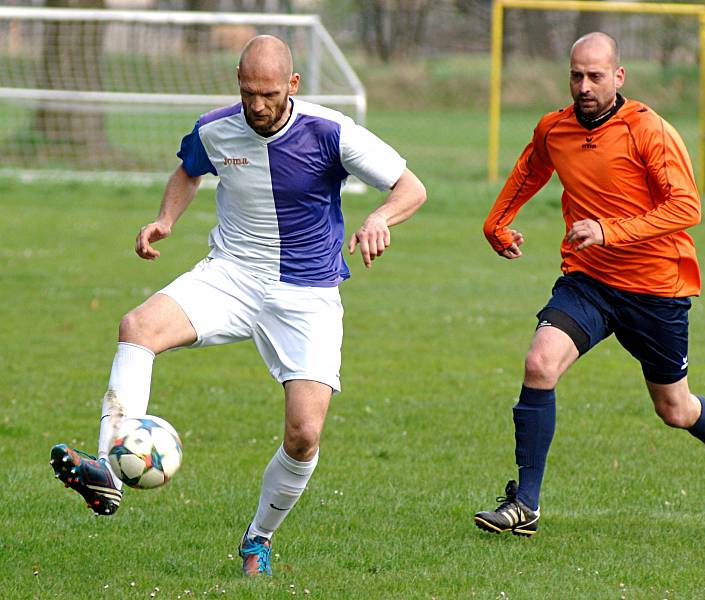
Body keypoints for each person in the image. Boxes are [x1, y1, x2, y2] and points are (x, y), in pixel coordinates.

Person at [50, 34, 426, 576]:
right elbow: (188, 170)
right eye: (249, 91)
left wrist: (378, 219)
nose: (257, 105)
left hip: (306, 294)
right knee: (136, 326)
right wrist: (166, 219)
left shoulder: (332, 130)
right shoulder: (216, 126)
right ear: (237, 81)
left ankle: (258, 538)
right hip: (231, 275)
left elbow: (410, 188)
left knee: (304, 435)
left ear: (292, 86)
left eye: (269, 93)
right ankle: (108, 468)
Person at [473, 32, 705, 537]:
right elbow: (527, 174)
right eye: (576, 75)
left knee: (674, 408)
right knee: (539, 363)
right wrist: (496, 224)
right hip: (589, 281)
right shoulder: (553, 129)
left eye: (595, 76)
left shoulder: (649, 130)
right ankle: (526, 504)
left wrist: (608, 231)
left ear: (619, 76)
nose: (584, 85)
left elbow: (686, 206)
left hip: (655, 289)